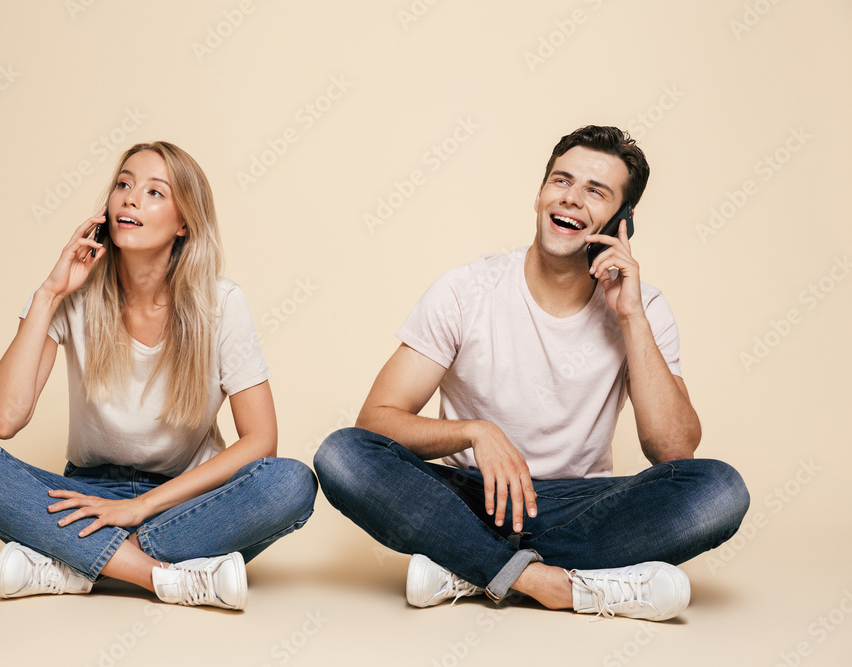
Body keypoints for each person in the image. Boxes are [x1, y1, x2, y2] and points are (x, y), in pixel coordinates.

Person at [314, 126, 749, 621]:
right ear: (540, 193)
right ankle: (557, 584)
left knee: (721, 490)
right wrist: (475, 433)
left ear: (623, 220)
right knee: (341, 455)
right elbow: (376, 421)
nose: (572, 199)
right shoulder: (464, 291)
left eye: (595, 191)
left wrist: (630, 318)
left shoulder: (643, 309)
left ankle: (470, 568)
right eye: (561, 181)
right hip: (469, 497)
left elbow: (673, 452)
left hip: (579, 506)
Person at [0, 141, 317, 610]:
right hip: (86, 497)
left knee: (292, 483)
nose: (131, 198)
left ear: (184, 223)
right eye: (123, 184)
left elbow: (261, 442)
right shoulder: (72, 296)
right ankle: (162, 577)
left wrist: (140, 508)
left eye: (155, 192)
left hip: (184, 503)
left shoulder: (221, 302)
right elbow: (2, 419)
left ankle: (73, 565)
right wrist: (49, 293)